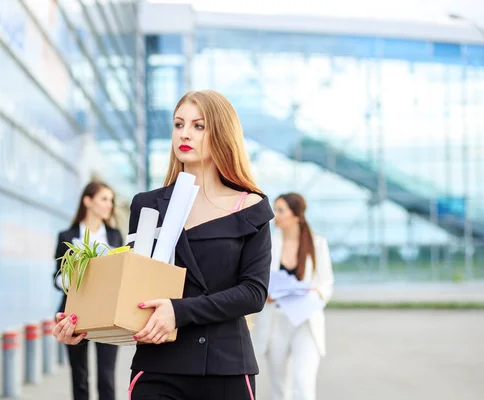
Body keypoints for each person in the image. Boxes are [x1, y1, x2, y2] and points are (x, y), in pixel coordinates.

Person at [52, 89, 274, 400]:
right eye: (178, 124)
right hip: (158, 367)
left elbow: (253, 293)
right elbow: (132, 291)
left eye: (199, 126)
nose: (185, 134)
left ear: (222, 133)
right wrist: (82, 324)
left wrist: (178, 311)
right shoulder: (148, 206)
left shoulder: (250, 207)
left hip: (226, 368)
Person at [254, 193, 334, 400]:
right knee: (279, 387)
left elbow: (326, 283)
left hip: (305, 321)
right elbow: (257, 279)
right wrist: (265, 293)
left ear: (296, 215)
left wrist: (317, 293)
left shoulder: (317, 244)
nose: (275, 215)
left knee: (303, 384)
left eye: (281, 210)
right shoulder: (268, 244)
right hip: (275, 321)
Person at [53, 181, 123, 400]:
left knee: (107, 375)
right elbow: (56, 278)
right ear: (88, 201)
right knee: (80, 375)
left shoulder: (114, 236)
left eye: (110, 200)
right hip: (75, 313)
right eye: (104, 199)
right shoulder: (67, 235)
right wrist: (76, 276)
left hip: (108, 312)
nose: (109, 205)